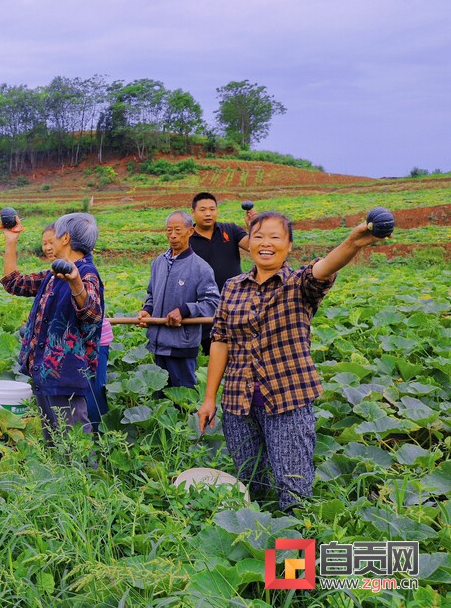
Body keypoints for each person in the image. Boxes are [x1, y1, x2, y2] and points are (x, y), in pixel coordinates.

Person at [197, 212, 388, 511]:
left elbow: (324, 268)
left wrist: (353, 243)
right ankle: (255, 540)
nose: (265, 243)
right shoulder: (233, 287)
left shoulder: (299, 284)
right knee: (249, 482)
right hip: (238, 402)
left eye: (275, 237)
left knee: (294, 487)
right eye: (258, 236)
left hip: (288, 401)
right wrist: (209, 398)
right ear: (249, 243)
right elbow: (220, 340)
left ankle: (295, 548)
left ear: (288, 245)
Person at [0, 212, 104, 439]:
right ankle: (63, 475)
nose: (50, 242)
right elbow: (14, 283)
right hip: (45, 372)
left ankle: (87, 476)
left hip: (65, 375)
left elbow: (92, 314)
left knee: (76, 444)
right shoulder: (54, 274)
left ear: (65, 238)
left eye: (54, 235)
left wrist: (75, 282)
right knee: (55, 442)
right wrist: (11, 240)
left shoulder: (87, 274)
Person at [137, 211, 220, 389]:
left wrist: (185, 310)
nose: (173, 235)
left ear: (190, 231)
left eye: (178, 230)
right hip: (158, 344)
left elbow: (213, 303)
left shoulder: (200, 267)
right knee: (160, 399)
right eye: (169, 231)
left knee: (183, 402)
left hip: (181, 346)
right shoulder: (158, 263)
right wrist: (148, 310)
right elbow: (151, 294)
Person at [189, 192, 255, 355]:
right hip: (204, 305)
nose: (208, 213)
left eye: (212, 209)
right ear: (193, 212)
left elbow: (253, 246)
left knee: (239, 348)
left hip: (235, 301)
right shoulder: (187, 238)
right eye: (203, 209)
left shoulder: (230, 230)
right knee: (210, 350)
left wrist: (253, 227)